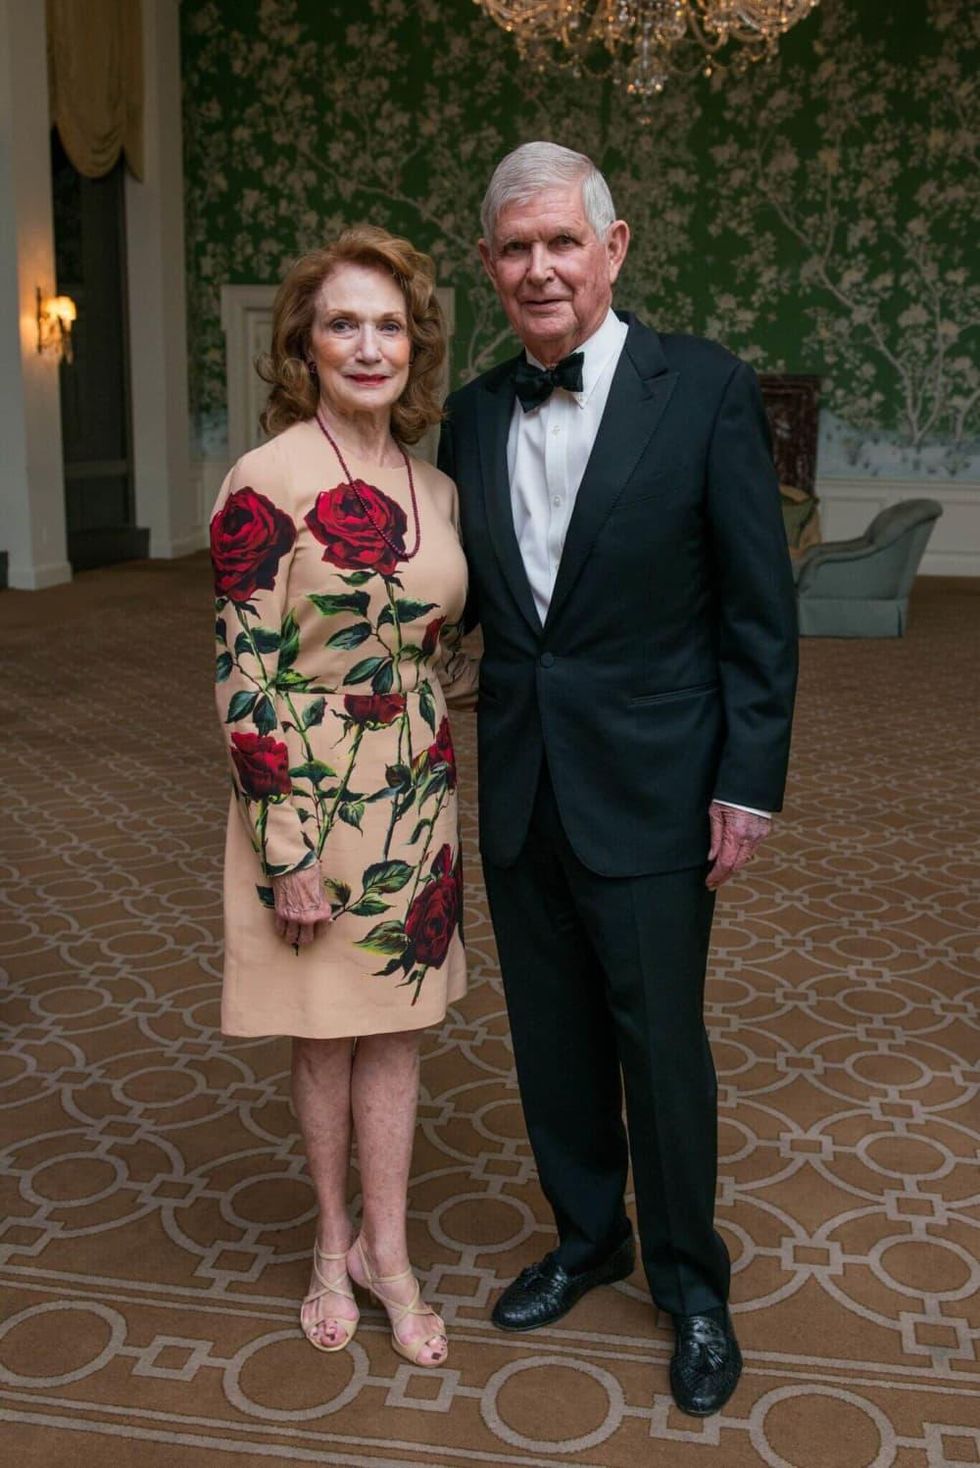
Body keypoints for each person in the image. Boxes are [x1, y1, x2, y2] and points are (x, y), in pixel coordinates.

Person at [438, 142, 798, 1416]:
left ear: (613, 246)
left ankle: (691, 1281)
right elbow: (464, 600)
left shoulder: (698, 387)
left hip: (656, 785)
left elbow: (758, 611)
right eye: (514, 249)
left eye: (561, 243)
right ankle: (586, 1239)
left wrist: (745, 782)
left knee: (659, 1046)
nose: (539, 268)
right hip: (523, 779)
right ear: (489, 267)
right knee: (549, 1040)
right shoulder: (475, 410)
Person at [211, 227, 476, 1368]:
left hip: (415, 799)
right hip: (307, 801)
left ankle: (391, 1250)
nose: (369, 346)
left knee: (399, 1035)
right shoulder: (264, 477)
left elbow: (436, 643)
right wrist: (284, 848)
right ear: (304, 346)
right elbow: (242, 669)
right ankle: (331, 1245)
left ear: (415, 342)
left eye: (388, 324)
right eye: (341, 324)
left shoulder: (437, 485)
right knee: (324, 1035)